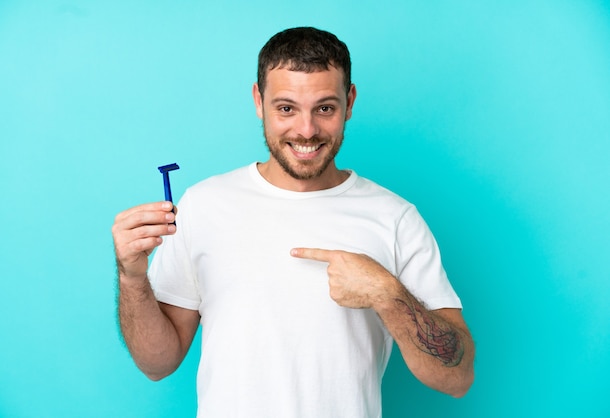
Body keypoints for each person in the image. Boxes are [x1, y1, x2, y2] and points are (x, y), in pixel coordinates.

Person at [113, 26, 475, 417]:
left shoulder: (395, 218)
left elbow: (456, 378)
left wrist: (387, 293)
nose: (306, 130)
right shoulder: (204, 204)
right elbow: (157, 363)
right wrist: (132, 278)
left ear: (349, 102)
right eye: (286, 108)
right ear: (258, 99)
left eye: (325, 108)